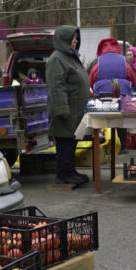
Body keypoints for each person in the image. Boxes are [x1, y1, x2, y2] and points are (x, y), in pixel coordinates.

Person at [46, 26, 91, 185]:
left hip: (75, 111)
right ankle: (63, 175)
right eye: (73, 38)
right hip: (65, 111)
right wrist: (62, 109)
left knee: (71, 143)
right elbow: (57, 85)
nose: (75, 41)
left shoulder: (70, 57)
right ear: (64, 39)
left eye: (76, 38)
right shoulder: (57, 58)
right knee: (65, 143)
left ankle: (70, 171)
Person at [90, 37, 136, 155]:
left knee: (104, 121)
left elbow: (90, 80)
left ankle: (106, 144)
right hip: (122, 95)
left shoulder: (96, 62)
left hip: (101, 96)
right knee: (120, 120)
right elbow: (134, 78)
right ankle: (122, 146)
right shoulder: (125, 61)